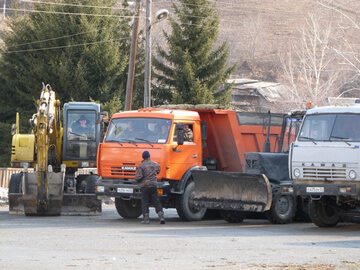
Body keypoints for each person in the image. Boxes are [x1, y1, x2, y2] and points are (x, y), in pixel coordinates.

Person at [135, 151, 165, 224]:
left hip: (145, 187)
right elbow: (158, 171)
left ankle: (146, 219)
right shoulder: (155, 164)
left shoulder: (142, 165)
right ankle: (161, 216)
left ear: (143, 157)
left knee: (145, 202)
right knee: (156, 201)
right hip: (153, 186)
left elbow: (138, 177)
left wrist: (139, 181)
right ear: (149, 156)